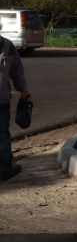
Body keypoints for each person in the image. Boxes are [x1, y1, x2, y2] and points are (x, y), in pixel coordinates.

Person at [0, 33, 29, 181]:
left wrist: (23, 90)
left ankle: (5, 168)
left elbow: (16, 70)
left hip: (2, 99)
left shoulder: (8, 46)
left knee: (2, 134)